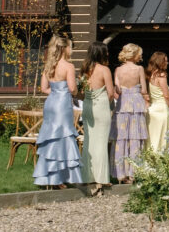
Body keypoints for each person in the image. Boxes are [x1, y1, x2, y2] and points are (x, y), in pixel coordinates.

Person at [33, 37, 83, 188]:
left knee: (51, 137)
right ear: (64, 48)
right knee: (63, 136)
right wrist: (66, 92)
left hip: (51, 103)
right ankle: (60, 178)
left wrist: (56, 91)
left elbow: (43, 88)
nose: (71, 50)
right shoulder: (68, 66)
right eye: (70, 47)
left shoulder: (49, 66)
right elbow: (73, 89)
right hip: (62, 104)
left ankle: (50, 177)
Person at [110, 43, 149, 183]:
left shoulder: (118, 70)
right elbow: (144, 90)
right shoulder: (139, 69)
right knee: (135, 138)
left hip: (122, 104)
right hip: (136, 103)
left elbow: (117, 90)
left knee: (121, 139)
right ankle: (133, 173)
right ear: (134, 55)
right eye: (139, 54)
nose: (141, 56)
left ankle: (120, 174)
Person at [80, 40, 115, 192]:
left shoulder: (84, 69)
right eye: (106, 51)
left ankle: (87, 176)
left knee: (89, 142)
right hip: (101, 106)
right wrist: (105, 104)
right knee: (101, 142)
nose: (108, 54)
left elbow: (81, 91)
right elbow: (111, 93)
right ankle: (101, 178)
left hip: (87, 105)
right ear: (101, 53)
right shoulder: (104, 70)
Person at [145, 52, 169, 151]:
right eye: (165, 60)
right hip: (161, 109)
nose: (167, 62)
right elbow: (166, 95)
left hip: (152, 108)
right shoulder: (162, 75)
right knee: (162, 138)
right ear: (160, 62)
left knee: (152, 137)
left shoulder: (150, 74)